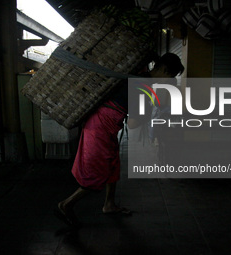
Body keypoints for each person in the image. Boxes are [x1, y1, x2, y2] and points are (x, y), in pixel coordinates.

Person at [54, 52, 184, 228]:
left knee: (113, 165)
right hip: (100, 128)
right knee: (98, 172)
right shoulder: (145, 87)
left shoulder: (140, 75)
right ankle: (66, 204)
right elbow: (133, 123)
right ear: (163, 70)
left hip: (103, 124)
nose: (171, 81)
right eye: (171, 77)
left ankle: (109, 204)